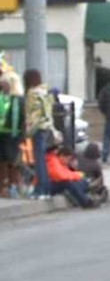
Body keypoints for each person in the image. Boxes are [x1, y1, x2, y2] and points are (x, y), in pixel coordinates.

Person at [23, 69, 55, 199]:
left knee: (39, 161)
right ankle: (46, 189)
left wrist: (28, 130)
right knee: (43, 160)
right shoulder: (46, 92)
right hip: (47, 127)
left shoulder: (32, 93)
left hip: (37, 128)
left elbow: (31, 114)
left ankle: (40, 189)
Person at [0, 75, 24, 198]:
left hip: (13, 134)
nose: (2, 85)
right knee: (2, 160)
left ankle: (13, 185)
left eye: (4, 83)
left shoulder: (18, 99)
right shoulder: (1, 97)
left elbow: (22, 118)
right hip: (1, 133)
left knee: (13, 160)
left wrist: (22, 136)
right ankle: (3, 186)